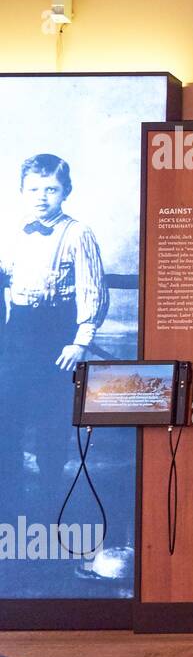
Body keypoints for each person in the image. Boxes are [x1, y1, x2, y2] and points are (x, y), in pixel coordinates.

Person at [0, 154, 109, 497]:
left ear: (65, 192)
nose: (41, 196)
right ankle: (11, 491)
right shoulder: (13, 232)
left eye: (51, 189)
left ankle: (50, 491)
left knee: (51, 414)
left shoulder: (78, 233)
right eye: (34, 189)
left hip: (57, 335)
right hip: (16, 333)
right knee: (9, 411)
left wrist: (80, 341)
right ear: (22, 191)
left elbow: (93, 290)